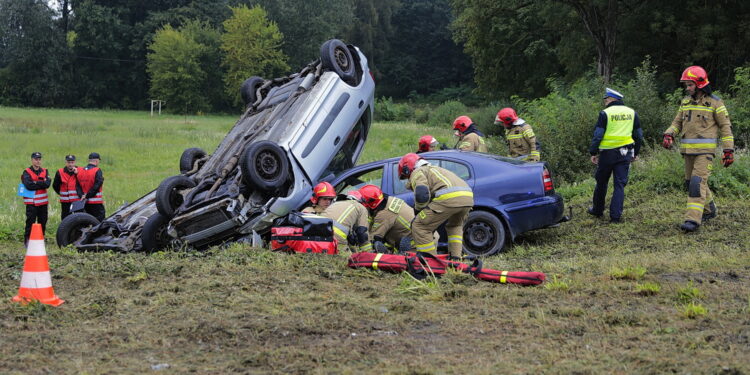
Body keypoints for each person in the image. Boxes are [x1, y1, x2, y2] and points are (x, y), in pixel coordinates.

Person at [663, 66, 734, 232]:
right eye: (686, 85)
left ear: (700, 84)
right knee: (691, 183)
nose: (687, 88)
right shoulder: (685, 102)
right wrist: (669, 134)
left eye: (690, 85)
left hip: (705, 152)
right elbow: (677, 123)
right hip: (688, 151)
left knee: (697, 183)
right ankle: (710, 210)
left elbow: (725, 127)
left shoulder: (716, 103)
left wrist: (728, 150)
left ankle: (692, 220)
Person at [398, 153, 474, 259]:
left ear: (407, 169)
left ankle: (430, 262)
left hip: (449, 198)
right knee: (454, 226)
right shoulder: (436, 169)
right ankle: (455, 258)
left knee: (420, 226)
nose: (407, 179)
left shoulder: (417, 171)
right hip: (467, 197)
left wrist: (418, 211)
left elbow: (422, 193)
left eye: (406, 176)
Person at [587, 88, 644, 223]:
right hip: (625, 152)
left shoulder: (605, 113)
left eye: (606, 99)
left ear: (612, 99)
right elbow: (638, 135)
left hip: (607, 153)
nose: (605, 102)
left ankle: (597, 210)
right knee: (619, 184)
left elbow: (598, 135)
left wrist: (593, 152)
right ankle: (615, 217)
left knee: (601, 182)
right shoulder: (632, 112)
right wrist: (636, 152)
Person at [358, 184, 414, 253]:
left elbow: (374, 238)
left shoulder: (383, 215)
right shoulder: (389, 200)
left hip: (412, 246)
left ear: (371, 204)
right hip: (411, 236)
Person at [21, 152, 50, 243]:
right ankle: (27, 240)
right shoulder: (26, 172)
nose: (38, 161)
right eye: (36, 159)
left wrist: (35, 182)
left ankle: (41, 239)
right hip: (31, 203)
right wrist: (41, 183)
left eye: (39, 159)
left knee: (43, 222)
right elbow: (28, 185)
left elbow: (47, 184)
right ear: (32, 160)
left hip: (43, 203)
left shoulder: (45, 171)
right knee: (30, 222)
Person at [52, 154, 82, 220]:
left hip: (78, 201)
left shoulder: (81, 170)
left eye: (72, 162)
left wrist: (78, 174)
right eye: (69, 162)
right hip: (65, 201)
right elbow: (55, 185)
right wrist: (61, 193)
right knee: (66, 219)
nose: (70, 164)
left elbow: (84, 183)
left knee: (79, 218)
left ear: (75, 162)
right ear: (66, 162)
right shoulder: (60, 172)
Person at [77, 152, 105, 222]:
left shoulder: (81, 171)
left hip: (84, 203)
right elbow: (97, 185)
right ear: (96, 161)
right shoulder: (97, 170)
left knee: (87, 221)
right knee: (99, 221)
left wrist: (82, 196)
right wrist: (88, 195)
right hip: (95, 202)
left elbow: (77, 186)